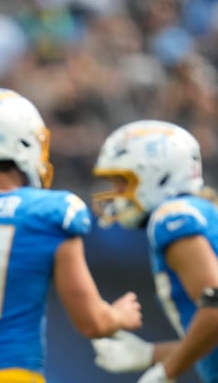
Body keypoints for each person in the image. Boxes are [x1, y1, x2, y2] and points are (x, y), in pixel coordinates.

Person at [0, 88, 143, 382]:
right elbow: (92, 322)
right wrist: (119, 316)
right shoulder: (48, 213)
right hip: (10, 374)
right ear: (23, 141)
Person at [90, 120, 218, 383]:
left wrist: (166, 373)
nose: (116, 194)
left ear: (157, 174)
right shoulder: (198, 211)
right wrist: (152, 354)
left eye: (122, 182)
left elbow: (216, 303)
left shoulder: (170, 217)